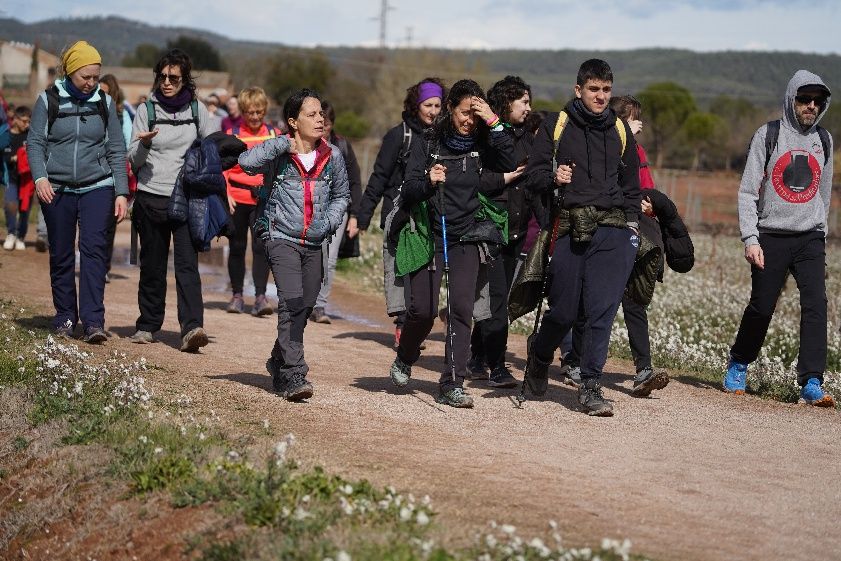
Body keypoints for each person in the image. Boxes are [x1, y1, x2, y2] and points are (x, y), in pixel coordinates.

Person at [387, 78, 517, 408]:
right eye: (464, 113)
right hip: (429, 232)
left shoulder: (484, 142)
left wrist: (493, 119)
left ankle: (452, 382)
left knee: (461, 309)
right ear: (450, 109)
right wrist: (429, 181)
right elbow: (410, 189)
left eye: (475, 114)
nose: (468, 121)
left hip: (468, 235)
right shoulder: (428, 142)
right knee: (424, 311)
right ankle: (405, 356)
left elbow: (511, 159)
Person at [523, 59, 641, 417]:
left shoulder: (620, 130)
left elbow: (632, 186)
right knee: (564, 312)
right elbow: (533, 177)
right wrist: (553, 177)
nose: (601, 96)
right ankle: (540, 356)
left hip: (613, 232)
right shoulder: (556, 126)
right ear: (579, 90)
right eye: (594, 89)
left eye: (606, 90)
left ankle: (590, 385)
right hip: (569, 229)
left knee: (600, 311)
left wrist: (631, 231)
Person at [725, 70, 834, 407]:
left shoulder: (824, 140)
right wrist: (750, 238)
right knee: (762, 306)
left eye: (817, 101)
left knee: (816, 305)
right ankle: (739, 363)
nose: (811, 106)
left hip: (809, 238)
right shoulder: (768, 135)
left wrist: (821, 233)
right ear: (791, 99)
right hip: (770, 235)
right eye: (804, 99)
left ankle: (812, 381)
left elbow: (824, 194)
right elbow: (746, 192)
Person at [238, 88, 350, 401]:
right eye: (311, 114)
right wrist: (279, 143)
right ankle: (293, 374)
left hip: (315, 241)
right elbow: (246, 162)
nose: (320, 119)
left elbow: (342, 195)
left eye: (321, 114)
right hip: (281, 237)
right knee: (291, 302)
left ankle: (278, 359)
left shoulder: (333, 156)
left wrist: (328, 223)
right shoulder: (279, 153)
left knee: (305, 305)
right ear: (293, 121)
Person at [562, 95, 672, 397]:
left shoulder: (639, 150)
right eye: (631, 118)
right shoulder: (603, 146)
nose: (638, 124)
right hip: (605, 230)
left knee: (634, 300)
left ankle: (643, 369)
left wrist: (651, 206)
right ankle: (574, 361)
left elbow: (645, 187)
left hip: (635, 231)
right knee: (590, 303)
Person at [26, 40, 129, 342]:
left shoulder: (104, 103)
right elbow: (35, 143)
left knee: (94, 252)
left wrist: (121, 191)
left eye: (96, 77)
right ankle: (65, 316)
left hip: (98, 186)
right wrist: (40, 178)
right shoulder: (48, 101)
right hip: (56, 188)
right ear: (70, 72)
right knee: (60, 254)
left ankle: (94, 322)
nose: (91, 83)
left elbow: (116, 148)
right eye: (86, 76)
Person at [127, 48, 220, 351]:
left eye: (173, 78)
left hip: (186, 199)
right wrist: (144, 145)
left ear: (184, 80)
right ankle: (147, 326)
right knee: (152, 265)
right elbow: (133, 159)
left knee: (186, 266)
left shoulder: (197, 110)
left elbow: (212, 147)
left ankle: (192, 328)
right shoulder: (146, 110)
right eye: (162, 76)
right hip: (151, 196)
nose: (166, 82)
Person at [358, 78, 446, 346]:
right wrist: (363, 216)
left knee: (421, 270)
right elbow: (379, 176)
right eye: (428, 105)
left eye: (437, 105)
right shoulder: (399, 135)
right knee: (400, 271)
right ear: (415, 105)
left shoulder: (444, 138)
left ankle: (413, 324)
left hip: (429, 216)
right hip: (399, 214)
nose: (433, 111)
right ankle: (402, 325)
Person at [467, 75, 534, 389]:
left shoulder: (525, 134)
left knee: (497, 299)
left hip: (516, 231)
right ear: (507, 103)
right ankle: (497, 366)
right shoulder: (487, 134)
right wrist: (505, 177)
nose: (528, 108)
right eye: (523, 101)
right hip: (491, 226)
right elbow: (491, 173)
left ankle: (477, 358)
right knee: (495, 299)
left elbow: (527, 168)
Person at [223, 86, 277, 317]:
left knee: (260, 247)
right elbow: (222, 167)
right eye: (249, 112)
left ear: (264, 111)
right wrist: (225, 192)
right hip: (237, 198)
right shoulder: (233, 134)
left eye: (259, 112)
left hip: (263, 199)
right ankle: (237, 295)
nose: (254, 117)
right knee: (236, 247)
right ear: (242, 112)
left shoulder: (274, 135)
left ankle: (260, 297)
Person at [310, 100, 363, 324]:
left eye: (328, 122)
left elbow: (355, 181)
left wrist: (355, 215)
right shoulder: (304, 144)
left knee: (329, 260)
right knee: (310, 256)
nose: (324, 126)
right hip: (309, 208)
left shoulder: (342, 146)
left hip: (338, 209)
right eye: (321, 121)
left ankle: (319, 306)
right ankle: (304, 301)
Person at [98, 74, 134, 281]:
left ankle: (103, 267)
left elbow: (129, 145)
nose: (102, 95)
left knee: (109, 224)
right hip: (91, 174)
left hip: (113, 176)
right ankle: (92, 263)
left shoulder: (122, 116)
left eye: (105, 92)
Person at [3, 106, 32, 251]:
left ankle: (21, 236)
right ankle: (11, 233)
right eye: (24, 121)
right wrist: (13, 158)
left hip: (27, 181)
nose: (27, 125)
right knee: (10, 204)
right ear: (15, 119)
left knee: (24, 209)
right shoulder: (6, 135)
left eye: (29, 122)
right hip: (12, 179)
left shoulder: (30, 135)